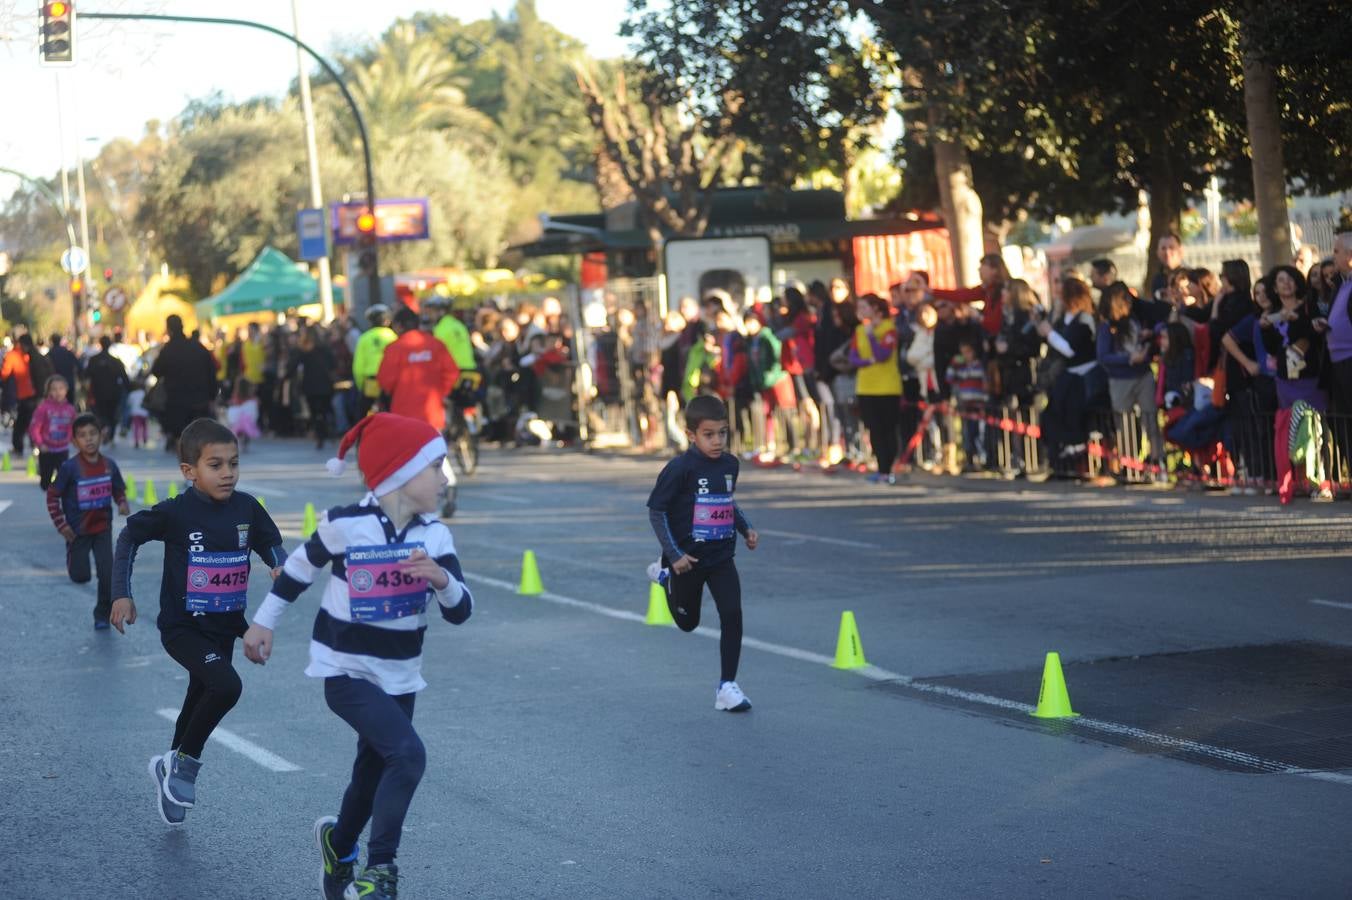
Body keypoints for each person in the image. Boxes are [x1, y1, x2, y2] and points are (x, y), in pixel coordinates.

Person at [242, 413, 472, 900]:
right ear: (401, 474)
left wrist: (441, 579)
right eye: (436, 467)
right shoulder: (347, 524)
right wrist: (263, 622)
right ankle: (381, 870)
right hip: (344, 669)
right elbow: (298, 571)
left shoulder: (435, 536)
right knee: (407, 756)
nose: (444, 477)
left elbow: (461, 610)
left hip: (401, 676)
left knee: (371, 775)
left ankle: (339, 844)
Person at [110, 418, 285, 827]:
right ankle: (186, 766)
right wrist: (121, 592)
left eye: (233, 464)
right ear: (190, 472)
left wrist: (279, 566)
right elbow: (129, 536)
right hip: (183, 628)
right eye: (215, 465)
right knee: (226, 685)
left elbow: (270, 544)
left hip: (225, 626)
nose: (227, 473)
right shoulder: (177, 512)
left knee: (201, 692)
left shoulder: (247, 508)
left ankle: (169, 768)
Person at [645, 394, 759, 713]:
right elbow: (657, 511)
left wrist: (745, 528)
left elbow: (727, 502)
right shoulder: (679, 468)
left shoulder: (730, 465)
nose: (717, 440)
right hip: (687, 561)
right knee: (688, 623)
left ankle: (727, 687)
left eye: (722, 432)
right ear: (692, 435)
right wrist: (674, 554)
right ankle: (664, 573)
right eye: (709, 434)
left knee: (732, 614)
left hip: (721, 558)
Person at [46, 412, 130, 628]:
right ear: (74, 441)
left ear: (101, 436)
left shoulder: (109, 465)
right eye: (83, 435)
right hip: (77, 531)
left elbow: (118, 488)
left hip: (102, 529)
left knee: (108, 574)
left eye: (93, 433)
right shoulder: (70, 468)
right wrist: (61, 524)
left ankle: (101, 613)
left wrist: (121, 502)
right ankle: (73, 557)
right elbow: (52, 495)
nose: (89, 439)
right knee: (80, 576)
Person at [1096, 282, 1165, 481]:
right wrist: (1127, 359)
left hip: (1143, 375)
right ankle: (1130, 464)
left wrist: (1149, 338)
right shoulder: (1108, 327)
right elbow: (1103, 356)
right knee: (1124, 422)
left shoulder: (1137, 318)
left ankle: (1157, 459)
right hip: (1120, 379)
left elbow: (1160, 322)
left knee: (1150, 417)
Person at [377, 307, 459, 432]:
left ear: (399, 326)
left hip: (404, 414)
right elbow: (452, 372)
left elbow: (385, 380)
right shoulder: (436, 344)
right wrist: (440, 392)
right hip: (433, 413)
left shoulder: (394, 348)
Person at [849, 294, 902, 483]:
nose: (861, 311)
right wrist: (867, 361)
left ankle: (889, 469)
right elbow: (853, 357)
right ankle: (881, 469)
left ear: (876, 309)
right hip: (866, 387)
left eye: (864, 307)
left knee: (888, 429)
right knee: (874, 430)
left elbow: (882, 355)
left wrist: (872, 335)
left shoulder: (889, 329)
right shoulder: (859, 330)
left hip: (887, 387)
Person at [151, 315, 218, 452]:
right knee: (197, 431)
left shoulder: (168, 350)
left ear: (169, 329)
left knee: (179, 432)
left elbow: (156, 371)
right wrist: (212, 395)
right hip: (199, 398)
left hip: (176, 400)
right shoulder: (197, 347)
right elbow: (211, 371)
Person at [945, 339, 989, 470]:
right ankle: (969, 459)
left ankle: (981, 459)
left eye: (968, 352)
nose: (965, 355)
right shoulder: (960, 367)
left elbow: (985, 385)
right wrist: (954, 363)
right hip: (964, 406)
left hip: (978, 405)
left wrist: (984, 403)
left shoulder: (979, 366)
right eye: (963, 353)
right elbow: (949, 378)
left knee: (979, 432)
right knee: (966, 433)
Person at [29, 374, 78, 490]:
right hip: (47, 449)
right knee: (45, 480)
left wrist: (73, 440)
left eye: (61, 388)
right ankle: (48, 493)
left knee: (64, 478)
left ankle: (58, 497)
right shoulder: (43, 408)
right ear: (48, 391)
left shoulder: (70, 409)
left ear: (66, 390)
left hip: (63, 449)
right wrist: (40, 444)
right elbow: (34, 427)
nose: (58, 392)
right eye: (54, 389)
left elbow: (74, 427)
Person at [293, 327, 337, 449]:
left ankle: (320, 436)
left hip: (310, 386)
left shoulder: (303, 350)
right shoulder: (326, 349)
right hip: (325, 385)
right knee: (326, 409)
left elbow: (294, 366)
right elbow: (334, 364)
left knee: (314, 412)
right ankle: (330, 431)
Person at [83, 335, 131, 444]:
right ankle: (111, 434)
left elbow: (86, 375)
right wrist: (128, 390)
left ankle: (103, 431)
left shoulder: (94, 360)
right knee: (112, 414)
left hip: (98, 392)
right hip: (113, 393)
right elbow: (124, 378)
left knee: (100, 414)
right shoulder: (116, 361)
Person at [353, 305, 397, 420]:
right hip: (389, 381)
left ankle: (363, 435)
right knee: (391, 411)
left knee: (363, 413)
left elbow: (358, 367)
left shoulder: (364, 338)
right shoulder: (393, 337)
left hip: (371, 381)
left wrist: (361, 385)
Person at [2, 332, 43, 455]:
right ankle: (34, 444)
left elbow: (4, 374)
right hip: (35, 392)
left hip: (22, 393)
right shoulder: (31, 355)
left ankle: (20, 445)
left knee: (21, 421)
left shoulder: (12, 355)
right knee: (31, 420)